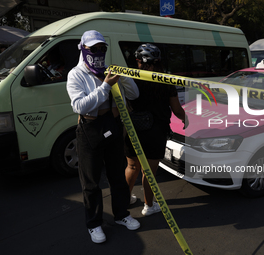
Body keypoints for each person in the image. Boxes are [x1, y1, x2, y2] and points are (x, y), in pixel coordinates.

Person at [66, 30, 140, 244]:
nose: (98, 52)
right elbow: (79, 105)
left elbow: (134, 94)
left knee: (117, 174)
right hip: (90, 129)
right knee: (91, 181)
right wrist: (106, 85)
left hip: (113, 126)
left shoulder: (110, 70)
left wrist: (123, 77)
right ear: (83, 49)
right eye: (93, 48)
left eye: (102, 48)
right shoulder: (76, 74)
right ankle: (94, 223)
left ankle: (121, 214)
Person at [124, 43, 188, 216]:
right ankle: (149, 205)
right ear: (158, 61)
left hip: (132, 128)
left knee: (131, 166)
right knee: (149, 171)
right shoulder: (166, 81)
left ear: (138, 60)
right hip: (155, 131)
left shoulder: (129, 78)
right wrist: (185, 118)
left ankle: (126, 198)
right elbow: (176, 110)